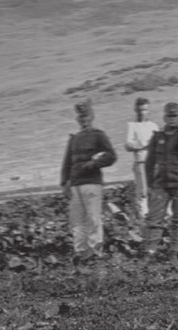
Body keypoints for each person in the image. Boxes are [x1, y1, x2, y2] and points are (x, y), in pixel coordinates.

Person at [60, 98, 116, 265]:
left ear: (91, 118)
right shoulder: (74, 139)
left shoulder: (99, 135)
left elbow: (111, 156)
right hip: (75, 184)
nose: (84, 120)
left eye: (86, 117)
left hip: (92, 182)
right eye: (81, 118)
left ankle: (95, 251)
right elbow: (67, 163)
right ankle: (81, 252)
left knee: (93, 218)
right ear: (78, 119)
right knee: (77, 220)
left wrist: (94, 163)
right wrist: (64, 183)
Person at [144, 101, 178, 261]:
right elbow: (149, 162)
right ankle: (150, 252)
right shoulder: (157, 137)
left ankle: (173, 253)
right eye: (169, 116)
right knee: (154, 220)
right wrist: (149, 185)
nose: (171, 119)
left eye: (174, 116)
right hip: (160, 185)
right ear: (164, 117)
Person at [125, 97, 159, 218]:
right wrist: (143, 144)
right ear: (135, 110)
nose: (142, 113)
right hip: (140, 162)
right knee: (142, 191)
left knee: (154, 189)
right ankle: (143, 217)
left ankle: (155, 215)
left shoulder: (153, 126)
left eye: (144, 110)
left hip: (153, 163)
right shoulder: (132, 125)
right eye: (139, 110)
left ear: (148, 110)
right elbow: (128, 144)